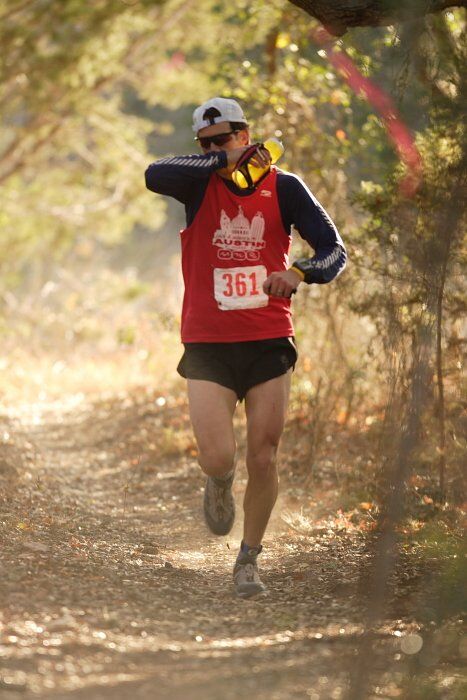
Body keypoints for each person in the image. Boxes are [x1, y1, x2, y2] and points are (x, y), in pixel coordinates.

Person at [145, 97, 346, 598]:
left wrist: (297, 272)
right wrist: (223, 161)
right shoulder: (196, 184)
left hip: (267, 337)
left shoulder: (286, 186)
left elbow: (334, 249)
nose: (219, 147)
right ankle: (217, 483)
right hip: (208, 341)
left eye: (227, 137)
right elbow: (154, 171)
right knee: (218, 455)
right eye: (207, 142)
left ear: (246, 132)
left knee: (264, 454)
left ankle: (248, 558)